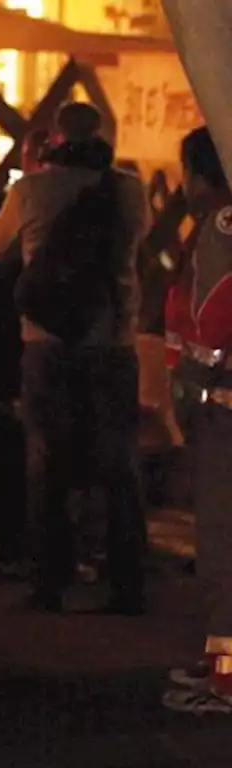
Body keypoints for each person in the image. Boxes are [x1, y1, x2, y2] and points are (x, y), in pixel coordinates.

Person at [0, 101, 151, 614]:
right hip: (112, 340)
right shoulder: (127, 189)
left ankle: (49, 581)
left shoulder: (32, 189)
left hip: (47, 341)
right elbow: (137, 242)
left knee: (46, 459)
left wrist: (34, 175)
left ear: (55, 138)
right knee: (119, 461)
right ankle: (126, 582)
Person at [162, 126, 232, 713]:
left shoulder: (221, 230)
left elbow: (208, 318)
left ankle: (228, 677)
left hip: (224, 410)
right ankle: (219, 667)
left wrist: (189, 389)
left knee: (222, 550)